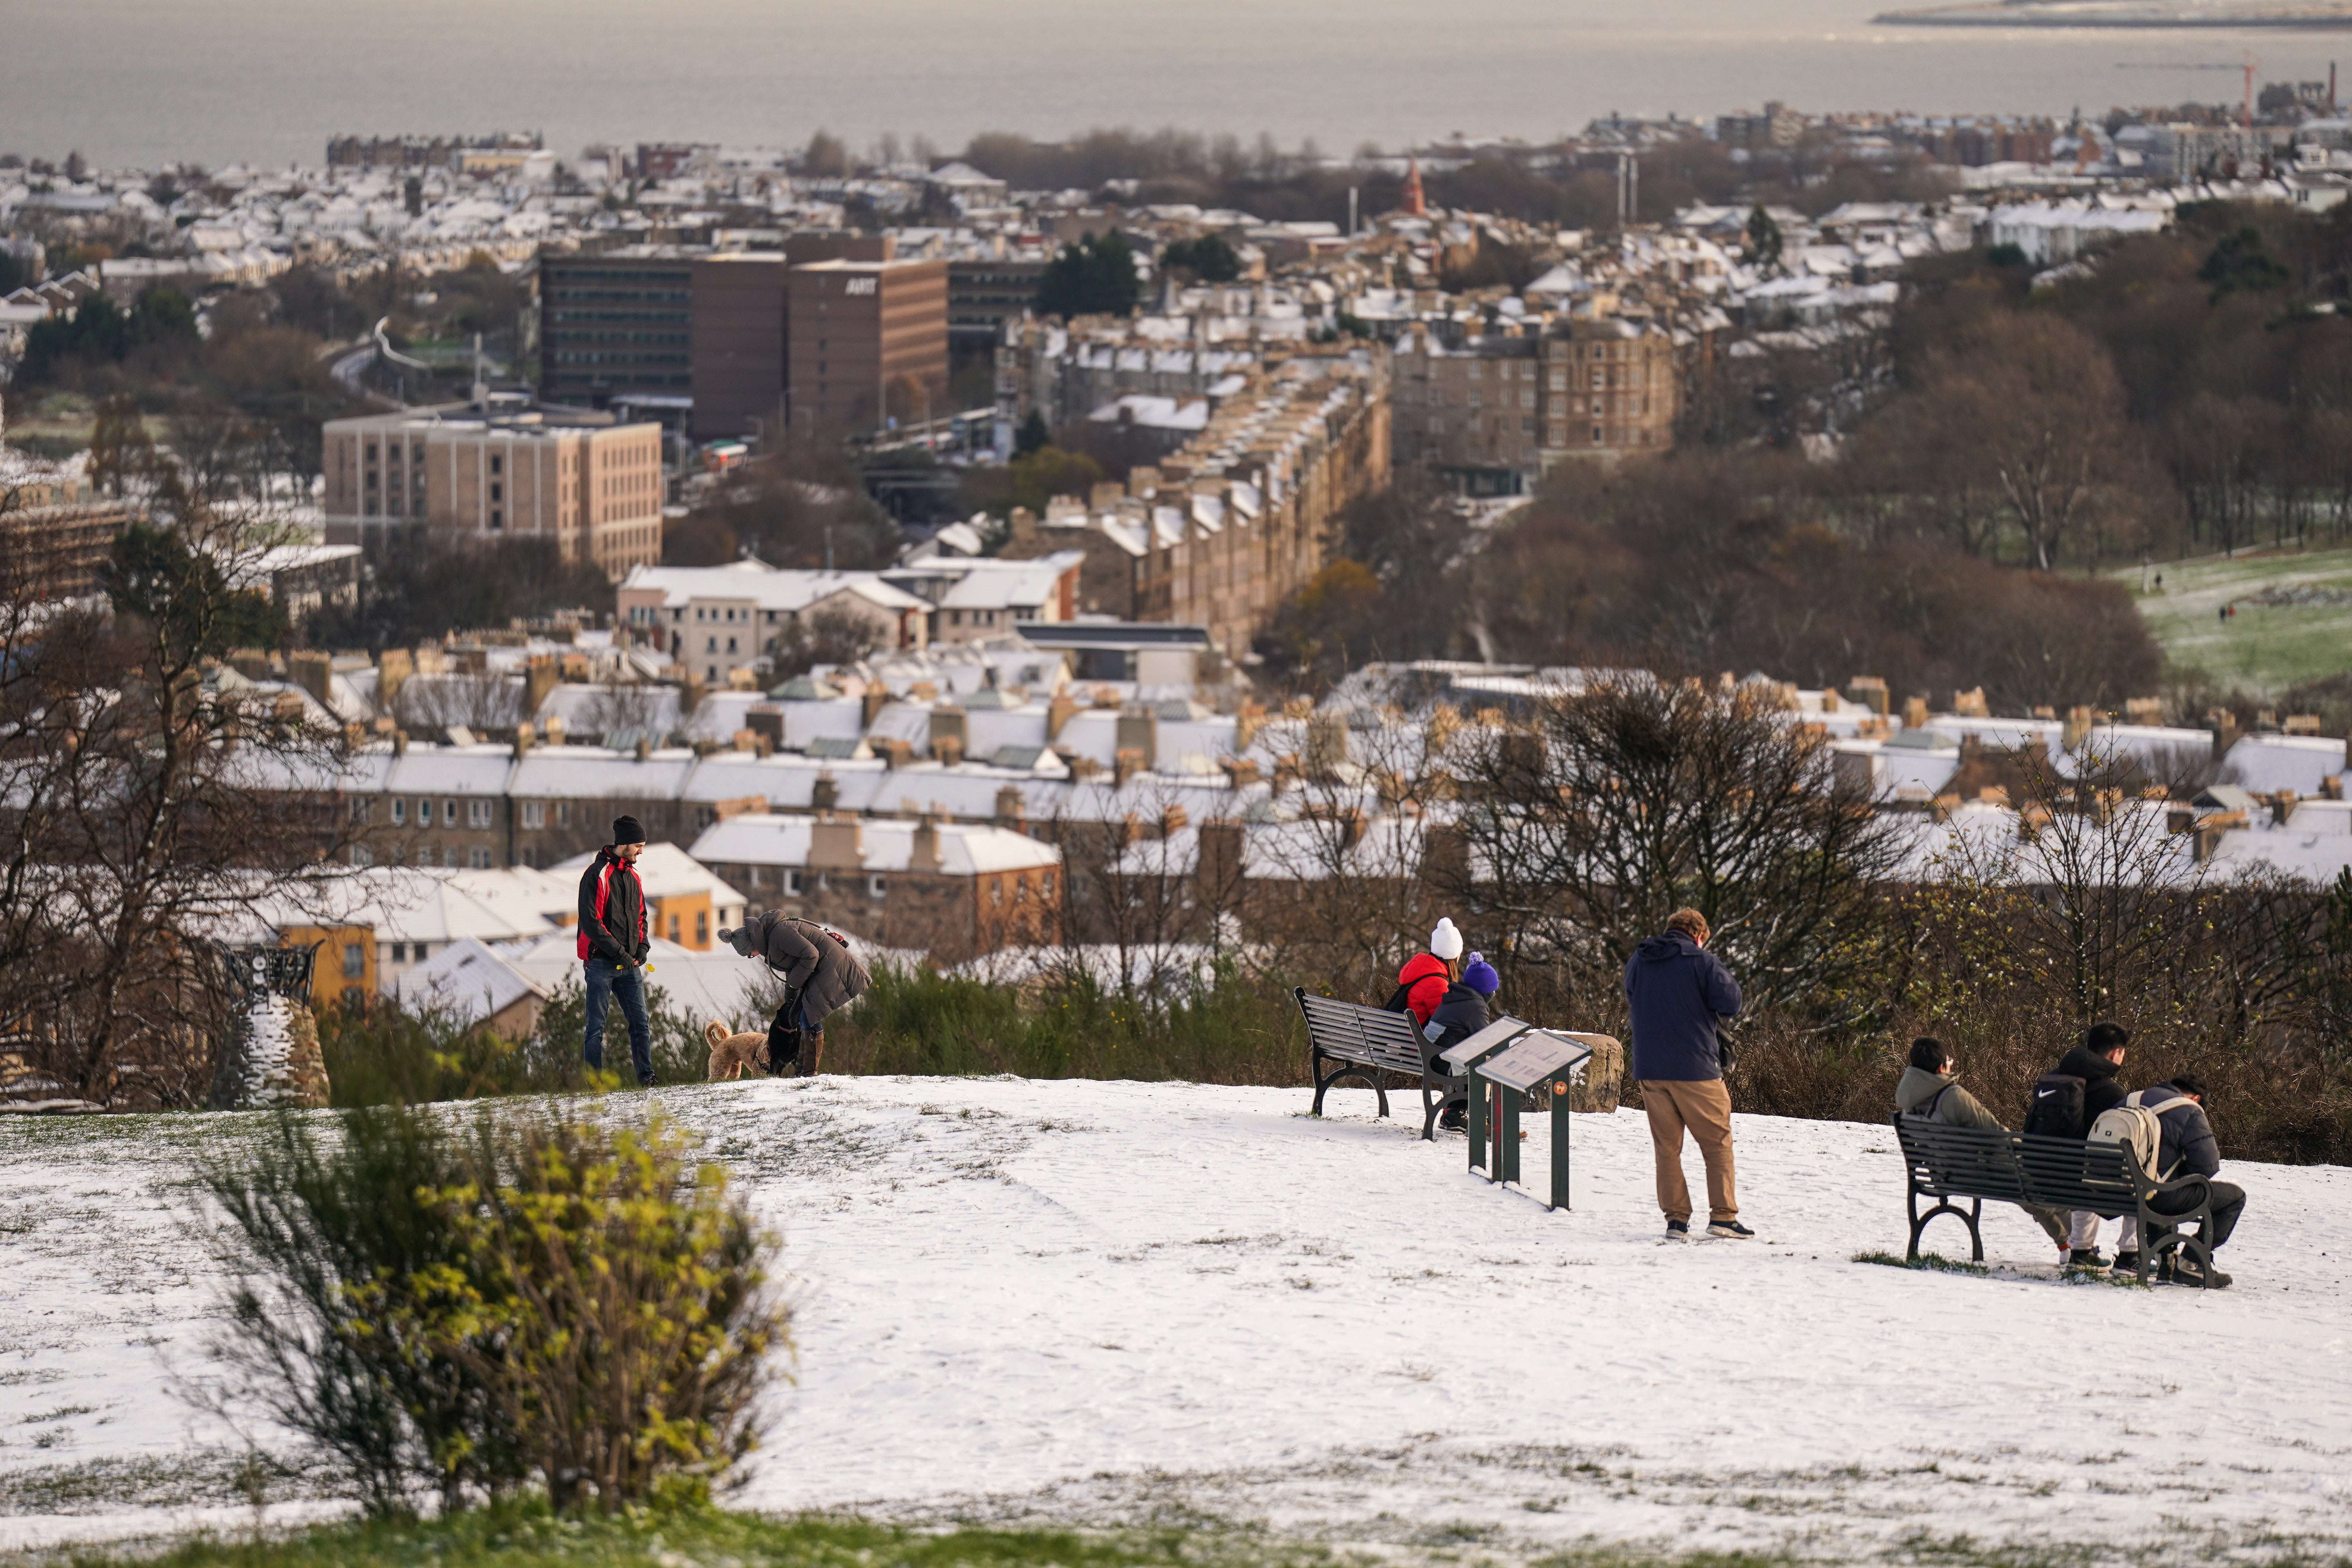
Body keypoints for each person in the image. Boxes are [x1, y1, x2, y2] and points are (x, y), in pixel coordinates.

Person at [1625, 908, 1749, 1240]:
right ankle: (1723, 1217)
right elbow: (1732, 1002)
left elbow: (1632, 997)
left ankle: (1676, 1222)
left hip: (1650, 1068)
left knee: (1667, 1148)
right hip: (1696, 1068)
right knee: (1717, 1143)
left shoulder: (1640, 959)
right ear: (1698, 935)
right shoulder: (1701, 961)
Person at [1898, 1038, 2071, 1261]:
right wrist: (2025, 1150)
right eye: (1949, 1062)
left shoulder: (1908, 1100)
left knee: (2030, 1187)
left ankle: (2069, 1245)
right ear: (1942, 1067)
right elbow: (1996, 1133)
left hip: (1941, 1176)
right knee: (2038, 1185)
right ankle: (2078, 1247)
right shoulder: (1953, 1097)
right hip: (1977, 1176)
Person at [2112, 1072, 2242, 1289]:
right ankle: (2191, 1263)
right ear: (2197, 1099)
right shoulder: (2189, 1110)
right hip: (2152, 1195)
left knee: (2156, 1187)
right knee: (2234, 1197)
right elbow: (2207, 1167)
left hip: (2113, 1192)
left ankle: (2166, 1261)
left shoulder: (2130, 1100)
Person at [2027, 1021, 2132, 1266]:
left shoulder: (2053, 1079)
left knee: (2087, 1170)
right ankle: (2132, 1255)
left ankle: (2082, 1252)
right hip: (2077, 1182)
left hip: (2038, 1175)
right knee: (2137, 1179)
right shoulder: (2113, 1093)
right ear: (2116, 1053)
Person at [721, 909, 872, 1076]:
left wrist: (793, 985)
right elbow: (794, 966)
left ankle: (808, 1072)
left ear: (752, 946)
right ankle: (802, 1070)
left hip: (832, 966)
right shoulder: (772, 938)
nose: (752, 956)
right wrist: (790, 999)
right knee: (801, 1016)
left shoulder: (779, 934)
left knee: (809, 1015)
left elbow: (810, 956)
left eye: (749, 954)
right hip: (822, 968)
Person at [577, 815, 653, 1087]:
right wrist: (619, 953)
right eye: (639, 846)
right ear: (625, 844)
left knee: (641, 1023)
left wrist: (642, 948)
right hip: (601, 963)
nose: (641, 852)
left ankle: (647, 1077)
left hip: (630, 965)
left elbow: (642, 916)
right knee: (596, 1028)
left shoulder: (634, 877)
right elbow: (591, 923)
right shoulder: (596, 874)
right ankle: (596, 1084)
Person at [1422, 951, 1501, 1133]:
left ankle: (1455, 1113)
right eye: (1492, 990)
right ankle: (1474, 1117)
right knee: (1486, 1065)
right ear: (1485, 990)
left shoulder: (1455, 996)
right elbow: (1484, 1042)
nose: (1494, 993)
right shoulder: (1476, 1006)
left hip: (1433, 1058)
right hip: (1443, 1063)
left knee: (1473, 1060)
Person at [1392, 917, 1464, 1030]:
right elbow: (1444, 1024)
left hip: (1406, 1039)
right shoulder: (1437, 983)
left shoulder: (1421, 971)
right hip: (1418, 1045)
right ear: (1454, 955)